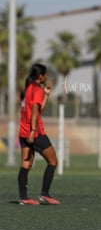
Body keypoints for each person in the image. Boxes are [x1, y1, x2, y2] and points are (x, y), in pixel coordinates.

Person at [17, 63, 60, 205]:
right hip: (35, 133)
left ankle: (23, 198)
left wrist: (46, 95)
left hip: (23, 132)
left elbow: (36, 109)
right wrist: (33, 132)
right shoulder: (36, 89)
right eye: (45, 74)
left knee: (26, 165)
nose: (46, 76)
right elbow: (35, 112)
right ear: (40, 76)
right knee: (53, 162)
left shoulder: (27, 89)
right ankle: (45, 194)